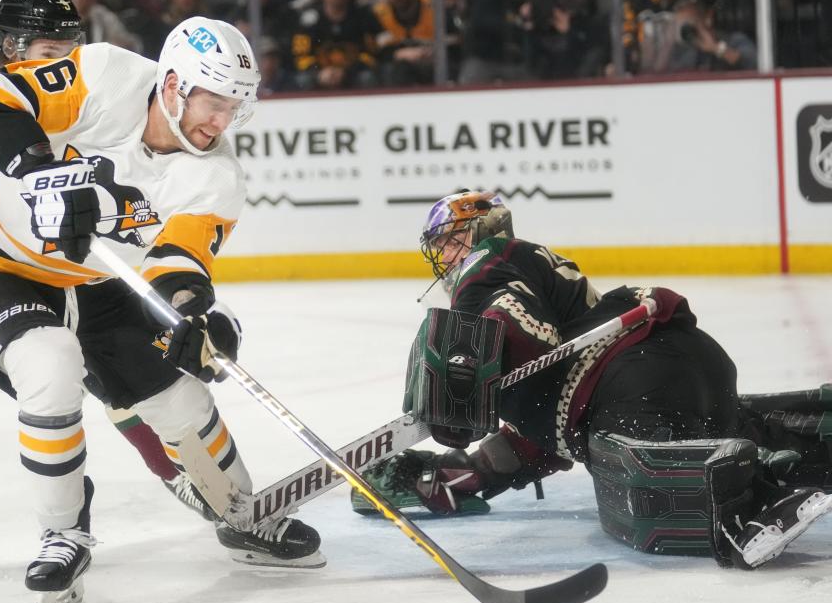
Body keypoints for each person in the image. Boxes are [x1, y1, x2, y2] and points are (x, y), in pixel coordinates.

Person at [0, 14, 323, 603]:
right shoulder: (103, 74)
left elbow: (178, 264)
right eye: (213, 104)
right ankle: (63, 533)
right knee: (51, 368)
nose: (221, 123)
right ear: (172, 84)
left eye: (235, 108)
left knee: (183, 402)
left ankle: (243, 515)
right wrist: (42, 173)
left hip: (98, 283)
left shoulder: (216, 173)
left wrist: (194, 316)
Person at [352, 190, 832, 570]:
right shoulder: (532, 268)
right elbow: (539, 432)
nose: (444, 255)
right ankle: (803, 450)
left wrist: (466, 362)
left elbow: (523, 327)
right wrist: (453, 476)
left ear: (480, 231)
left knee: (636, 475)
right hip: (678, 362)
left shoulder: (486, 264)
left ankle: (764, 492)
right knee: (723, 429)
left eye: (449, 240)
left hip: (632, 380)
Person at [0, 0, 214, 515]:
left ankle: (185, 476)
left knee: (101, 364)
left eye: (70, 48)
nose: (66, 62)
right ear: (9, 48)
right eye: (50, 52)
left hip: (43, 257)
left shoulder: (79, 92)